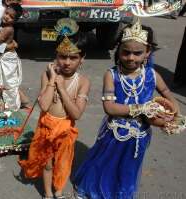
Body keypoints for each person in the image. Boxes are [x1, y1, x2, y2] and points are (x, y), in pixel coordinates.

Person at [73, 19, 180, 199]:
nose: (131, 57)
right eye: (126, 52)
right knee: (105, 163)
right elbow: (110, 108)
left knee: (128, 167)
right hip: (115, 132)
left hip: (140, 136)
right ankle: (94, 191)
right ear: (119, 51)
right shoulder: (112, 75)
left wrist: (173, 114)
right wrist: (142, 108)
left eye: (137, 53)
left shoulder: (152, 75)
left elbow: (167, 93)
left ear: (147, 53)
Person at [19, 19, 90, 199]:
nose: (67, 62)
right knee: (47, 163)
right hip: (46, 127)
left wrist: (62, 88)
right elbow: (43, 105)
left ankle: (59, 191)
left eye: (73, 57)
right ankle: (48, 194)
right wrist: (52, 80)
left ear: (82, 59)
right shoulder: (48, 75)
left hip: (65, 130)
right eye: (62, 56)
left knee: (63, 163)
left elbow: (76, 114)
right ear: (55, 56)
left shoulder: (83, 82)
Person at [0, 3, 23, 110]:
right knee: (6, 82)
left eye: (11, 17)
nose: (7, 17)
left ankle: (13, 107)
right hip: (7, 57)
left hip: (8, 59)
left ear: (15, 20)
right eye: (6, 13)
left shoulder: (7, 29)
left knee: (9, 84)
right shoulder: (5, 26)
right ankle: (8, 104)